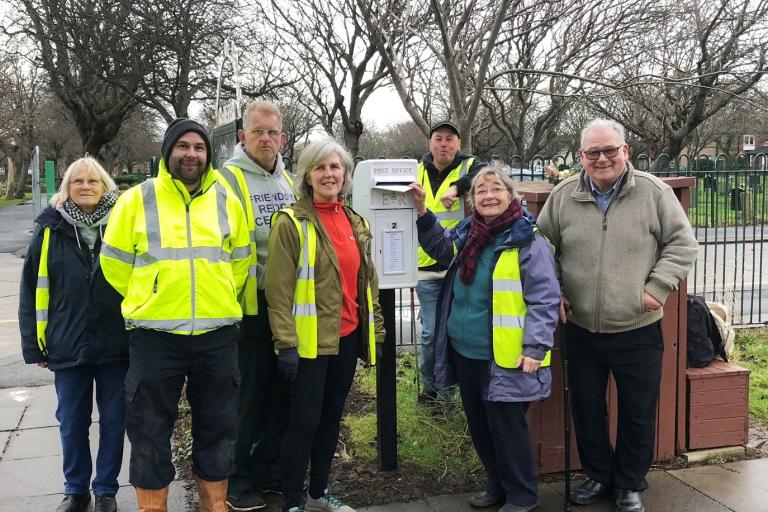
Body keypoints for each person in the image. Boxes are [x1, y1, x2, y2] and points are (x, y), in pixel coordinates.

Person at [537, 119, 698, 512]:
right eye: (593, 152)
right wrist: (554, 290)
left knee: (638, 411)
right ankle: (598, 475)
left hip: (637, 328)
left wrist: (655, 288)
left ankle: (628, 482)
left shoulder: (654, 193)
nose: (603, 158)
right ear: (581, 157)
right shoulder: (562, 196)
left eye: (610, 150)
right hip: (581, 328)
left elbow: (683, 244)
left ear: (625, 150)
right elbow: (540, 248)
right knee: (588, 410)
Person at [100, 118, 251, 512]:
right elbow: (114, 264)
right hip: (155, 337)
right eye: (183, 146)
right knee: (149, 432)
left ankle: (214, 505)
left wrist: (216, 298)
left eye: (199, 148)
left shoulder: (226, 200)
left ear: (208, 154)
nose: (191, 154)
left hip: (216, 335)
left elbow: (240, 261)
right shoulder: (137, 200)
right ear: (169, 152)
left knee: (219, 427)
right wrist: (151, 296)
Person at [411, 164, 560, 512]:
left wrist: (535, 347)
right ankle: (496, 484)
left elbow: (545, 298)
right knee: (480, 426)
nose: (489, 196)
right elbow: (441, 251)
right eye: (481, 191)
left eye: (496, 189)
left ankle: (522, 495)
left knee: (507, 429)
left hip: (504, 356)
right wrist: (422, 212)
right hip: (466, 351)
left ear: (511, 196)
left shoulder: (527, 240)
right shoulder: (470, 231)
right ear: (473, 200)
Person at [265, 139, 385, 512]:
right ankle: (292, 502)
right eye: (320, 168)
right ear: (307, 176)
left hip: (346, 338)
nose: (329, 174)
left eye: (335, 167)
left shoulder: (355, 221)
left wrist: (375, 332)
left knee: (331, 419)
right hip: (308, 343)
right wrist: (285, 343)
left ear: (345, 175)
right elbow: (278, 290)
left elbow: (368, 284)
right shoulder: (291, 222)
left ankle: (318, 493)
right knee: (303, 423)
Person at [19, 157, 126, 512]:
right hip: (67, 342)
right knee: (71, 420)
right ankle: (76, 490)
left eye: (93, 181)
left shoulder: (124, 224)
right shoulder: (49, 228)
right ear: (66, 187)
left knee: (114, 419)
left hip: (117, 341)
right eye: (77, 181)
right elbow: (31, 288)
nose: (85, 186)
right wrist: (33, 347)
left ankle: (106, 489)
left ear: (105, 186)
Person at [218, 100, 296, 511]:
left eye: (272, 132)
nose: (266, 139)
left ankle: (268, 472)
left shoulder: (288, 180)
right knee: (247, 396)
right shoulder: (226, 181)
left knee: (280, 393)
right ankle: (236, 479)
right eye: (257, 131)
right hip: (247, 307)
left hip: (284, 306)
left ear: (282, 137)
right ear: (241, 136)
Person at [415, 120, 485, 403]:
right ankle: (430, 386)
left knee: (454, 333)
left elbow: (485, 175)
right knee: (431, 334)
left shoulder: (468, 167)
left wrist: (456, 188)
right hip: (424, 266)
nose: (444, 144)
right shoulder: (416, 171)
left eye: (450, 140)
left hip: (458, 266)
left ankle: (448, 394)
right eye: (438, 139)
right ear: (430, 143)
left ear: (458, 145)